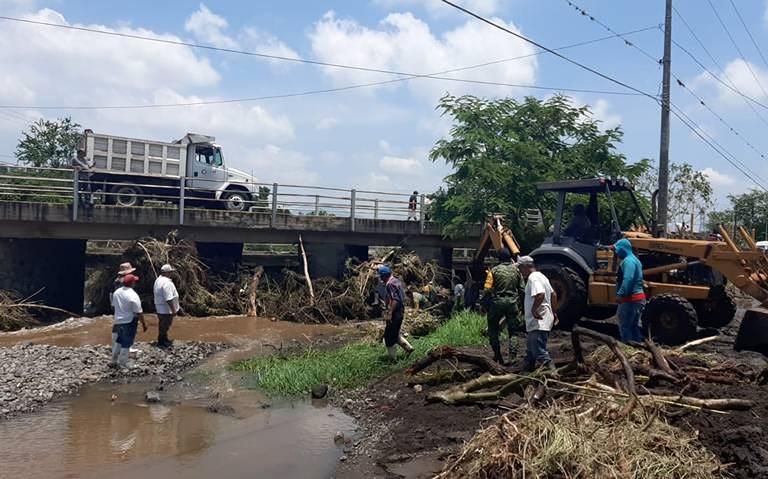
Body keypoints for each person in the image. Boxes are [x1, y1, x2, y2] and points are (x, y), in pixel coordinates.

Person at [482, 248, 525, 365]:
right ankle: (512, 357)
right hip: (512, 303)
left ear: (498, 259)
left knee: (493, 329)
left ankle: (498, 355)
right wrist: (523, 306)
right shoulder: (517, 271)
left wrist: (483, 302)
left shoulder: (494, 271)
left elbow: (487, 290)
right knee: (513, 332)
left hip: (497, 303)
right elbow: (522, 290)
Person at [517, 256, 557, 371]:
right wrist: (553, 312)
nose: (520, 271)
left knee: (539, 351)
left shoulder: (533, 278)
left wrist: (534, 310)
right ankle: (525, 373)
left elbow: (540, 294)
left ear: (526, 267)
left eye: (520, 268)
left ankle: (553, 372)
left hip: (538, 321)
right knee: (530, 352)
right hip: (542, 320)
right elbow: (553, 295)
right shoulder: (542, 276)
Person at [110, 274, 147, 369]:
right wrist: (144, 324)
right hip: (129, 321)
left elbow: (113, 306)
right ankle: (123, 363)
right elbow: (139, 312)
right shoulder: (133, 295)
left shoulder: (117, 292)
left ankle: (113, 361)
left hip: (118, 321)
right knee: (126, 343)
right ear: (132, 283)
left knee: (118, 342)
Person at [379, 265, 414, 359]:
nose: (381, 279)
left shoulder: (389, 284)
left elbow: (395, 299)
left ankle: (393, 359)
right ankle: (408, 348)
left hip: (395, 311)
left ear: (384, 276)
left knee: (389, 336)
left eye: (381, 276)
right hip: (400, 310)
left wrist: (390, 312)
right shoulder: (396, 280)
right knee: (394, 332)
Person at [614, 238, 645, 343]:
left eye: (617, 249)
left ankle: (627, 350)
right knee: (633, 326)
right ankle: (639, 349)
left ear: (622, 249)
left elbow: (628, 279)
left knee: (625, 327)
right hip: (638, 298)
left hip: (630, 299)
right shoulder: (635, 260)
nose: (616, 252)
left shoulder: (628, 261)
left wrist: (620, 294)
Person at [153, 264, 180, 348]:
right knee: (165, 325)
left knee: (163, 325)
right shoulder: (166, 283)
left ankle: (164, 339)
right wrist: (173, 310)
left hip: (160, 307)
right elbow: (168, 298)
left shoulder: (158, 280)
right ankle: (162, 342)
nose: (171, 273)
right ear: (167, 272)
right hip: (166, 309)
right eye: (171, 272)